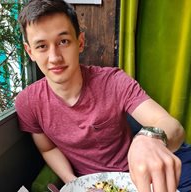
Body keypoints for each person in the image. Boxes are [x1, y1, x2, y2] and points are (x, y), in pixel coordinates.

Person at [15, 0, 185, 191]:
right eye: (41, 46)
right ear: (30, 52)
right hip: (92, 184)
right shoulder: (27, 102)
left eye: (63, 41)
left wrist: (148, 139)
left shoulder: (114, 82)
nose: (55, 57)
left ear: (80, 42)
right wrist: (73, 182)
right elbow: (48, 148)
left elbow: (172, 126)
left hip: (140, 176)